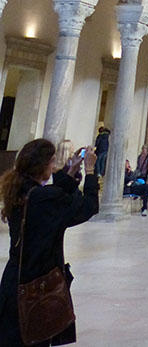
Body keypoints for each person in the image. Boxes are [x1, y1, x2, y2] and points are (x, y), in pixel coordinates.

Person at [0, 138, 99, 346]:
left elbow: (57, 199)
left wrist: (70, 171)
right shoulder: (46, 199)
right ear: (42, 164)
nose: (54, 167)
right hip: (37, 287)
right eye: (53, 162)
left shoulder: (18, 191)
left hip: (12, 282)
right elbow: (88, 206)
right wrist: (90, 170)